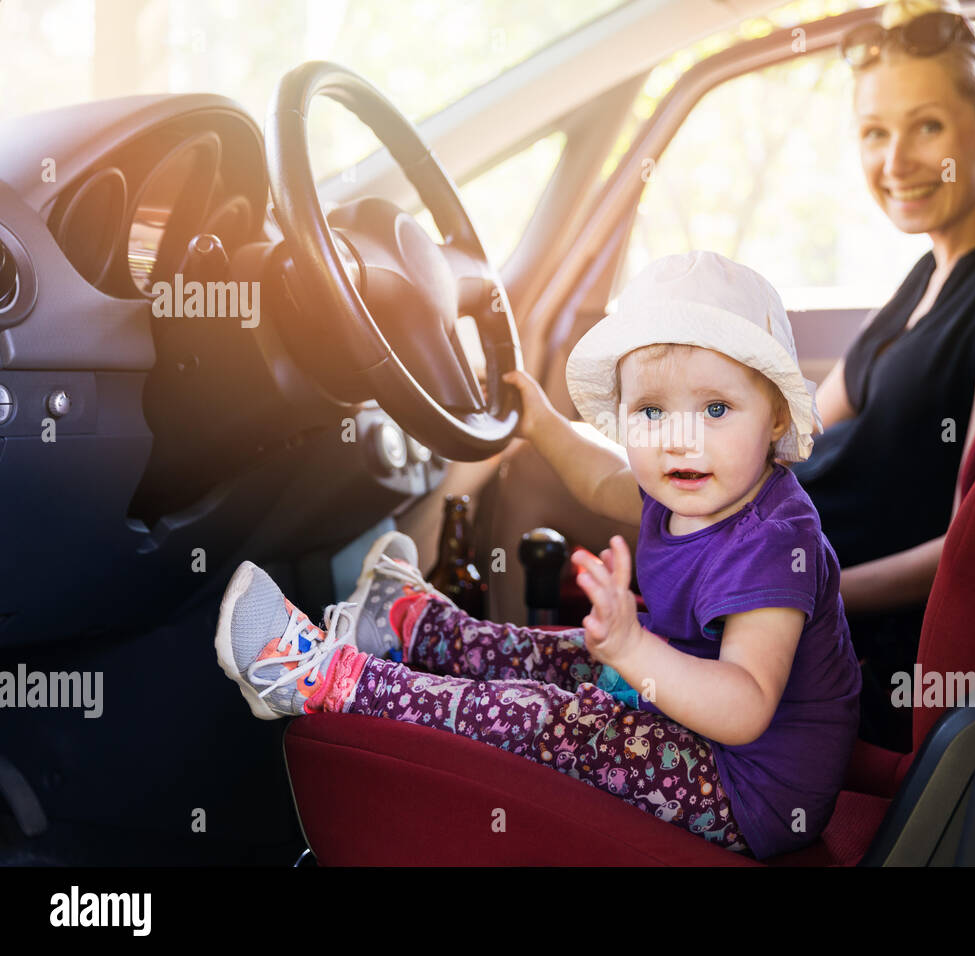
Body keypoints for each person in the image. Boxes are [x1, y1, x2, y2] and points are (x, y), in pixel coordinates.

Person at [213, 250, 861, 861]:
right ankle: (415, 623)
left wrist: (635, 650)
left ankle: (328, 681)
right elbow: (600, 478)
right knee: (567, 649)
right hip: (692, 720)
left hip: (750, 791)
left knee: (556, 717)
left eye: (716, 408)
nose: (680, 441)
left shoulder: (775, 544)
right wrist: (540, 423)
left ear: (776, 418)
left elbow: (746, 708)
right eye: (652, 412)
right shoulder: (693, 485)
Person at [789, 0, 975, 752]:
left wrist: (805, 598)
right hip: (782, 608)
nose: (895, 162)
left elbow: (969, 539)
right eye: (875, 133)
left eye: (927, 126)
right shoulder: (927, 273)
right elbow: (790, 442)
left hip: (849, 660)